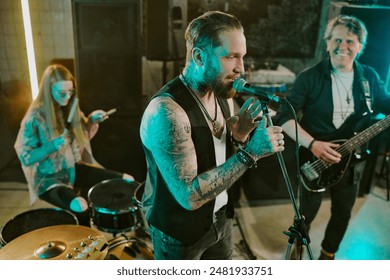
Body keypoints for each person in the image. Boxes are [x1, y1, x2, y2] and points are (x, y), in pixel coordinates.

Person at [139, 11, 285, 260]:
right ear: (198, 56)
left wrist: (238, 138)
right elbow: (189, 197)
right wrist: (250, 153)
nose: (241, 68)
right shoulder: (167, 112)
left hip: (221, 220)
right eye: (231, 57)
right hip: (179, 236)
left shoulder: (222, 95)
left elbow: (218, 159)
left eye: (242, 57)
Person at [275, 15, 390, 260]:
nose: (343, 46)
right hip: (314, 161)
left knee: (342, 214)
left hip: (351, 164)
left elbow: (385, 103)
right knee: (304, 216)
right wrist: (313, 144)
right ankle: (295, 256)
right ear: (327, 42)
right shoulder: (309, 77)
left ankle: (327, 257)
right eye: (337, 39)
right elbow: (284, 117)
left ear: (360, 46)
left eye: (350, 41)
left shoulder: (368, 77)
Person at [14, 64, 134, 226]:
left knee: (127, 181)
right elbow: (26, 157)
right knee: (80, 205)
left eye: (70, 92)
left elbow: (83, 138)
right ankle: (85, 243)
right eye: (62, 93)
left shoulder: (70, 107)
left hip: (72, 168)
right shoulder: (34, 117)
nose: (67, 97)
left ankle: (133, 227)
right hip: (48, 178)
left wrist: (91, 120)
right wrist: (53, 145)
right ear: (49, 91)